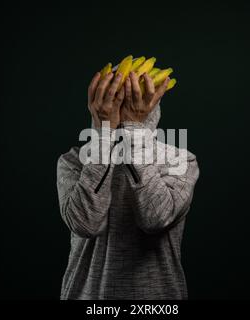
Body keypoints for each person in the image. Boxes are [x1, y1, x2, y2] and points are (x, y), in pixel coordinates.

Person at [57, 68, 200, 299]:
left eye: (129, 99)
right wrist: (105, 135)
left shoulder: (180, 161)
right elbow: (85, 223)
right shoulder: (73, 162)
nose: (121, 107)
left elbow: (155, 217)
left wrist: (132, 128)